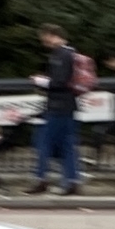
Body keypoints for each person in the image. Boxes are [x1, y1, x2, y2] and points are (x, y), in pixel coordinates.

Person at [28, 24, 82, 195]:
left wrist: (40, 81)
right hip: (68, 105)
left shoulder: (61, 55)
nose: (44, 43)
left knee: (43, 142)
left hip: (58, 106)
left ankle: (41, 179)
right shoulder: (71, 53)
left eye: (45, 38)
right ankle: (72, 181)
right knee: (67, 145)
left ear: (52, 35)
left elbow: (59, 82)